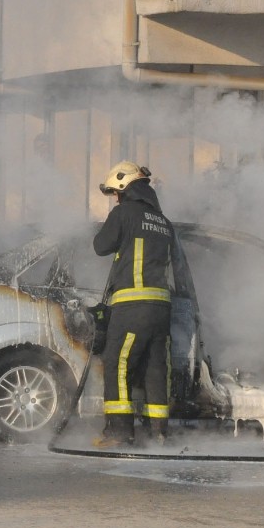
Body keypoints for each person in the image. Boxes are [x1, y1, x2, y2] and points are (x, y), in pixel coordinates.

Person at [92, 160, 175, 448]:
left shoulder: (123, 213)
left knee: (118, 363)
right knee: (155, 369)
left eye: (116, 192)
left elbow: (101, 246)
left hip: (132, 306)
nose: (115, 198)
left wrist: (112, 219)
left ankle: (119, 432)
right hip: (161, 309)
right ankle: (159, 434)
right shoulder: (164, 223)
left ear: (125, 188)